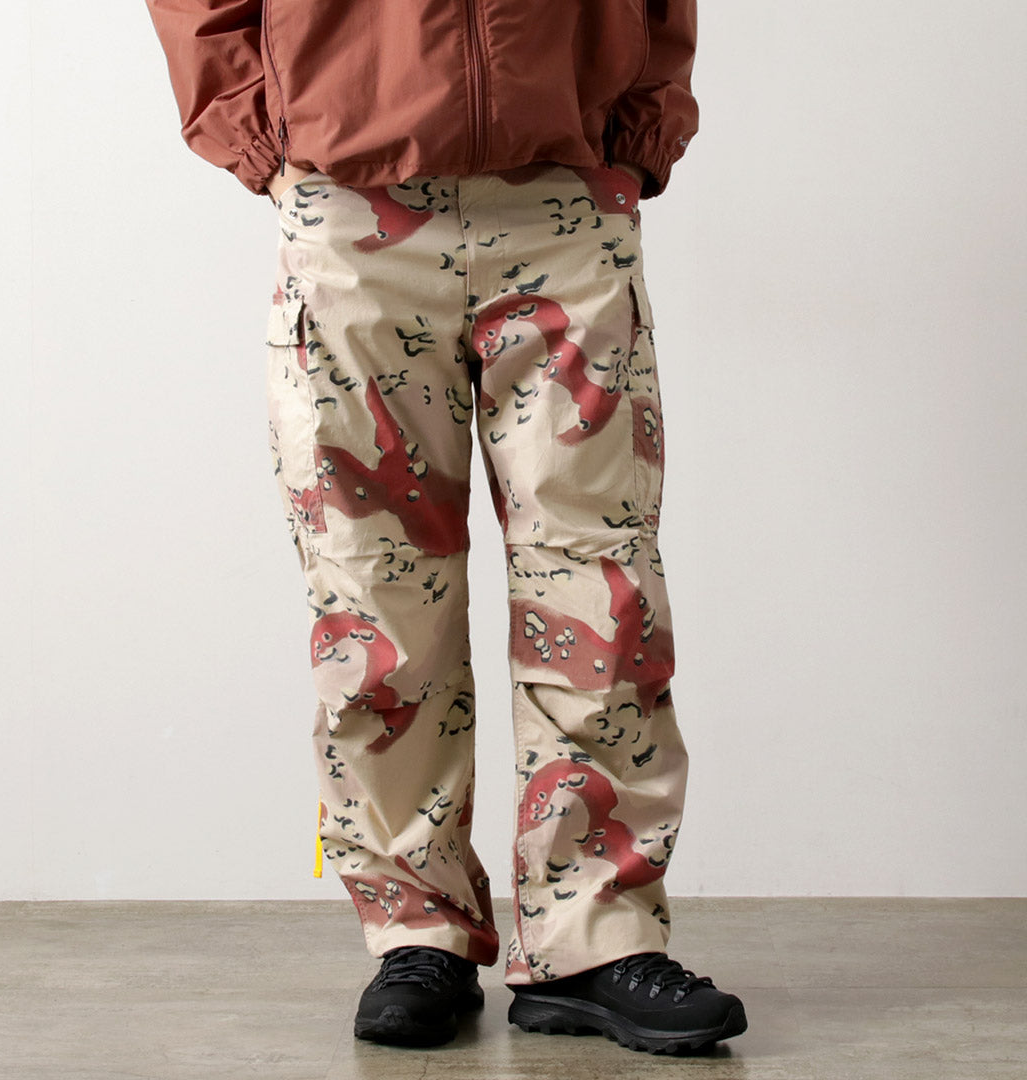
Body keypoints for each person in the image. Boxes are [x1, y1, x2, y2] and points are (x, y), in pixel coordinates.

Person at [145, 0, 748, 1056]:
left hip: (564, 200)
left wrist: (643, 128)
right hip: (351, 205)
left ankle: (593, 939)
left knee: (599, 587)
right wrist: (255, 128)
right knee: (372, 600)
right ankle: (414, 931)